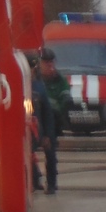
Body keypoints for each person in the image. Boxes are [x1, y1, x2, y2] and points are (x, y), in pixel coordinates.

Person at [32, 47, 71, 194]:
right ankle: (35, 180)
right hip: (35, 119)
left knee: (50, 153)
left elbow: (65, 99)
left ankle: (52, 184)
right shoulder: (34, 81)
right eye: (46, 63)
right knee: (30, 153)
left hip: (51, 120)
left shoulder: (59, 80)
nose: (50, 66)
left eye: (51, 63)